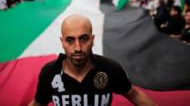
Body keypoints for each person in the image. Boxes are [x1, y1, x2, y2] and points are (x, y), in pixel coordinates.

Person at [28, 14, 157, 106]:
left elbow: (134, 95)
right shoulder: (50, 72)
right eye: (70, 40)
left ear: (92, 40)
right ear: (62, 42)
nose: (77, 48)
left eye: (83, 39)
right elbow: (38, 103)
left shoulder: (110, 68)